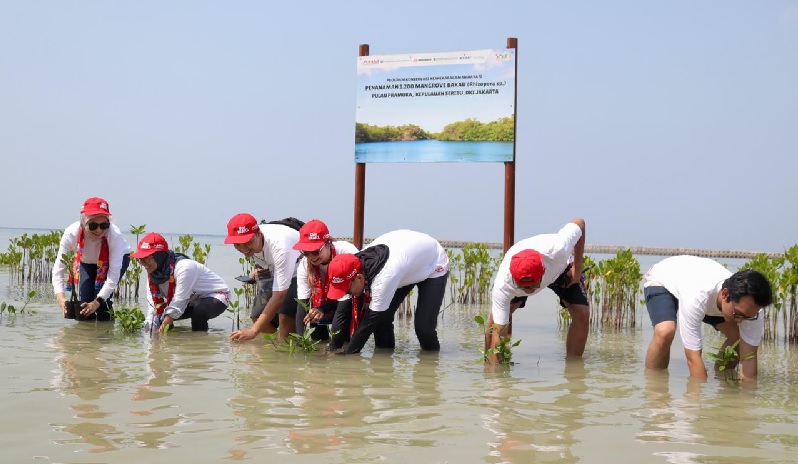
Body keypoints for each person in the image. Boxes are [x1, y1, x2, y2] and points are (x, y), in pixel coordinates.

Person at [643, 255, 773, 381]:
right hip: (663, 279)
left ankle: (723, 378)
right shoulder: (697, 296)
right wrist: (700, 396)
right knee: (665, 331)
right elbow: (693, 358)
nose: (740, 321)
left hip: (704, 295)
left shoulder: (754, 310)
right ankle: (654, 387)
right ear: (725, 294)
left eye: (747, 317)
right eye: (737, 314)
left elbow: (749, 358)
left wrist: (745, 398)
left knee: (738, 339)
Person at [325, 229, 449, 354]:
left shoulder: (385, 277)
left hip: (433, 263)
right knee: (382, 320)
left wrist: (347, 356)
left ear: (359, 278)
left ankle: (431, 365)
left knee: (424, 328)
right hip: (406, 264)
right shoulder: (356, 262)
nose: (347, 294)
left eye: (347, 290)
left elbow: (367, 325)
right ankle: (384, 363)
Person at [486, 218, 588, 363]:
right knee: (495, 324)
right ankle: (488, 364)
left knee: (582, 314)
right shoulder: (503, 285)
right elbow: (499, 334)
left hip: (560, 270)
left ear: (543, 272)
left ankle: (574, 366)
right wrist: (495, 382)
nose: (529, 291)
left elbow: (580, 223)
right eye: (524, 287)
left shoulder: (558, 248)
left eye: (532, 286)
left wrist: (576, 271)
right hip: (519, 275)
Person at [131, 232, 230, 332]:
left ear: (159, 256)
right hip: (190, 300)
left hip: (216, 295)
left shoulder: (184, 267)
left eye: (146, 259)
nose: (143, 264)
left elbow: (179, 300)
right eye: (140, 260)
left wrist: (162, 329)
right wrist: (150, 332)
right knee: (159, 318)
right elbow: (153, 308)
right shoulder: (152, 277)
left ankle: (200, 343)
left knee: (198, 313)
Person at [52, 197, 131, 321]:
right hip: (87, 261)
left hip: (116, 259)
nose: (99, 230)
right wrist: (61, 298)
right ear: (84, 223)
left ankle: (106, 335)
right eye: (93, 225)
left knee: (101, 301)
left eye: (104, 225)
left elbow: (113, 275)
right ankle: (87, 336)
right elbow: (59, 268)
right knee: (85, 303)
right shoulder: (71, 233)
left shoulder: (114, 235)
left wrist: (97, 302)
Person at [225, 213, 301, 341]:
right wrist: (258, 269)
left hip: (299, 269)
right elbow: (262, 257)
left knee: (285, 316)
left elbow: (279, 296)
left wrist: (252, 332)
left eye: (247, 242)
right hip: (275, 270)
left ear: (258, 233)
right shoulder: (253, 243)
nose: (243, 249)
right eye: (237, 244)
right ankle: (273, 350)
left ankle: (288, 348)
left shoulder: (280, 247)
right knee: (257, 315)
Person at [292, 219, 358, 340]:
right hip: (322, 305)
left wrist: (323, 308)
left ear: (328, 243)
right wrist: (301, 342)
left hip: (349, 301)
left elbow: (351, 297)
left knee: (343, 342)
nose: (311, 257)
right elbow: (302, 305)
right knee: (313, 318)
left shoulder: (347, 253)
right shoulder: (304, 265)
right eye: (306, 253)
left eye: (315, 252)